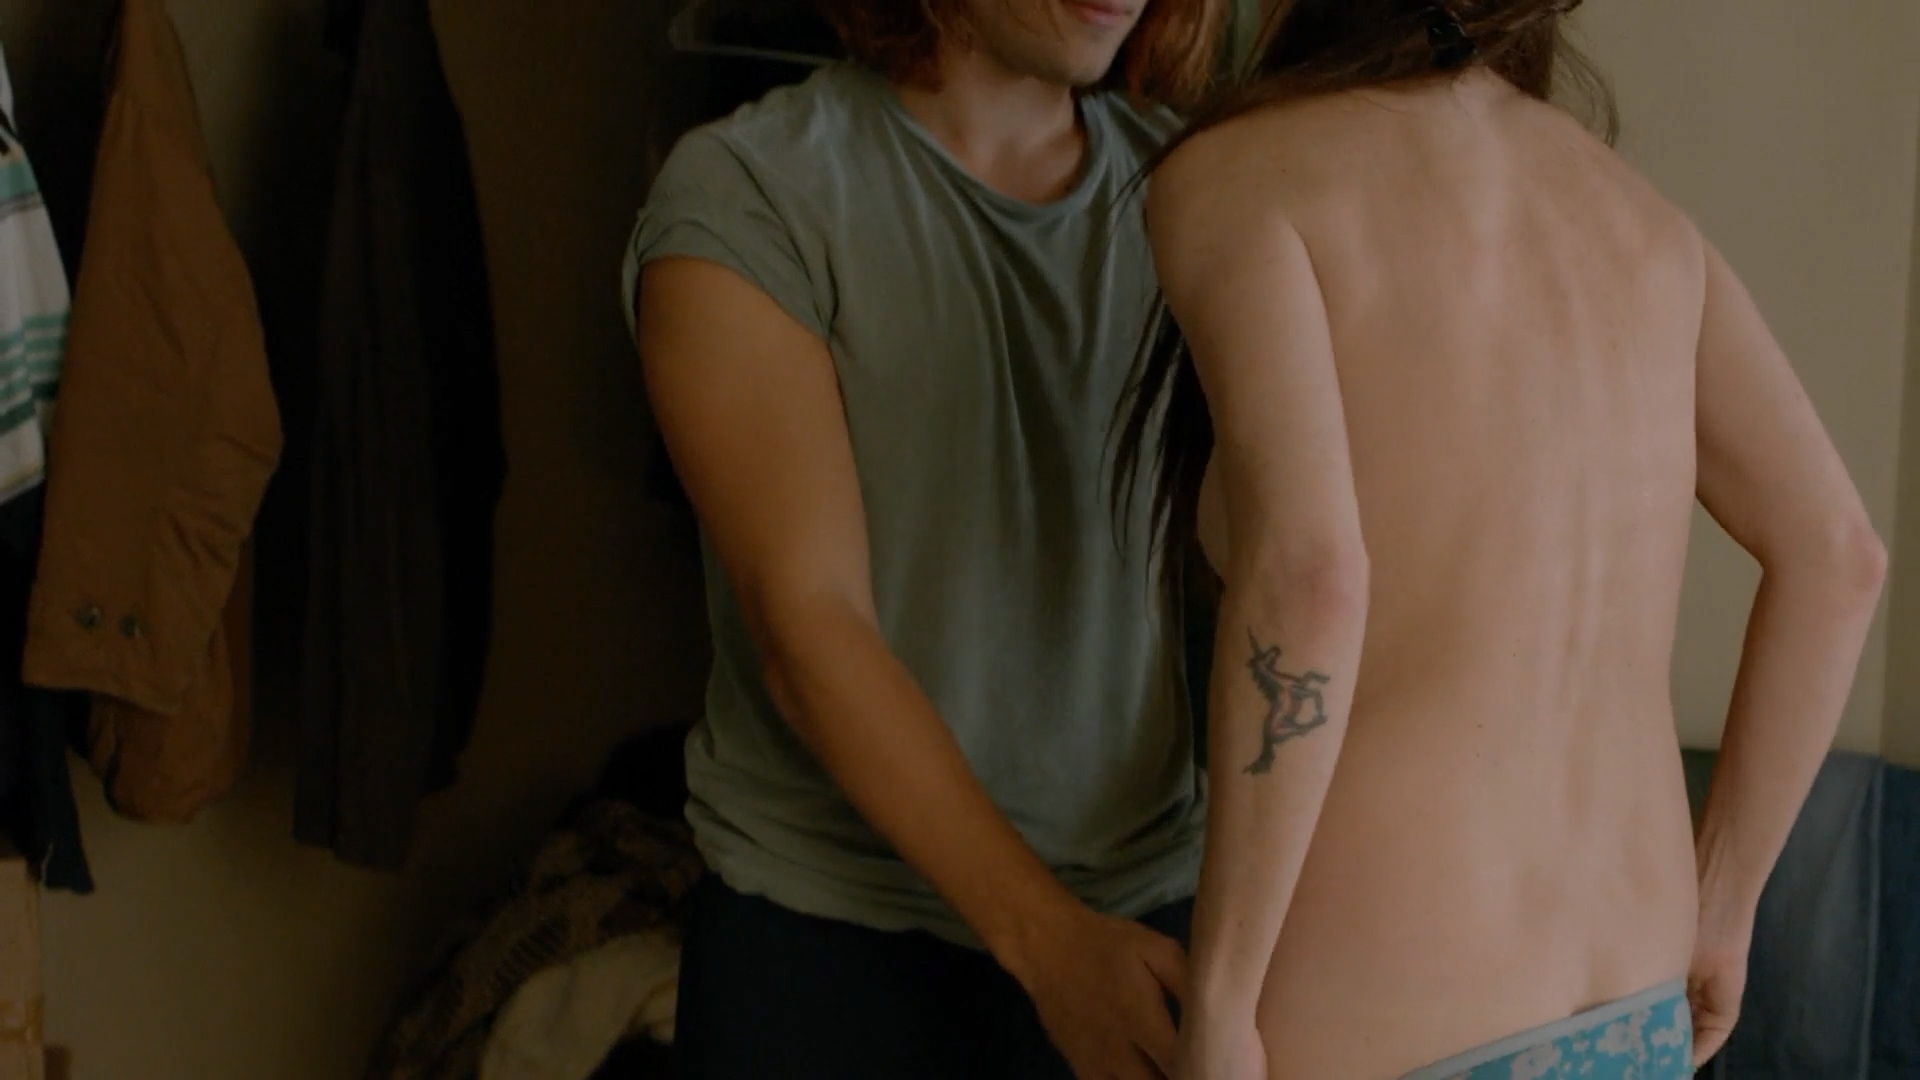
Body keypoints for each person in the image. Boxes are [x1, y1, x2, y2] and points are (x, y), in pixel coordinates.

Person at [1111, 2, 1889, 1078]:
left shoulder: (1237, 175)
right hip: (1634, 997)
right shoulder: (1639, 219)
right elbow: (1839, 555)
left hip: (1384, 1008)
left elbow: (1310, 578)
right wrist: (1724, 907)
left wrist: (1222, 996)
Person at [623, 0, 1228, 1071]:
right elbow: (811, 629)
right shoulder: (752, 191)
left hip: (1145, 921)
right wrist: (1050, 945)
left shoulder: (1200, 188)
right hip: (831, 943)